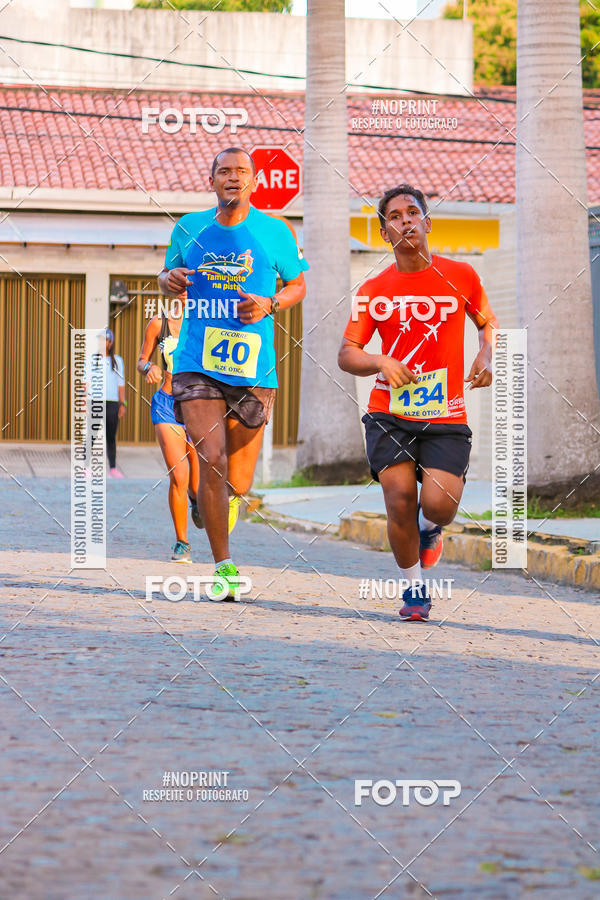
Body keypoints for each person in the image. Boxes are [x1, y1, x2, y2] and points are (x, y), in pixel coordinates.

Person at [339, 184, 498, 621]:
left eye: (412, 213)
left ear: (427, 223)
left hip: (445, 411)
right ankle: (414, 591)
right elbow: (347, 353)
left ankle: (431, 531)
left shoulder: (461, 275)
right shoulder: (372, 289)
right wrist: (380, 360)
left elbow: (487, 322)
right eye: (394, 216)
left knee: (438, 505)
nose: (405, 220)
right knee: (399, 500)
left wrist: (485, 352)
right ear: (384, 232)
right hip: (389, 411)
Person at [158, 146, 308, 599]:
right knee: (211, 458)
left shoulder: (275, 232)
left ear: (254, 181)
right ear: (212, 181)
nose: (232, 177)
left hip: (253, 367)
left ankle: (208, 501)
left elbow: (298, 283)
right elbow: (167, 273)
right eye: (223, 171)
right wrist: (168, 279)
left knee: (236, 483)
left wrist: (271, 302)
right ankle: (223, 566)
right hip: (195, 361)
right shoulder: (190, 226)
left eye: (241, 171)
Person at [137, 294, 201, 563]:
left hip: (198, 406)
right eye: (179, 286)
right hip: (166, 404)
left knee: (198, 487)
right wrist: (148, 366)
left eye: (190, 287)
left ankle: (196, 501)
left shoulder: (206, 322)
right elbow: (141, 359)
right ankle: (182, 542)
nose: (185, 292)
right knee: (179, 475)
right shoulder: (158, 323)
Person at [88, 328, 126, 478]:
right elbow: (86, 383)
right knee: (91, 436)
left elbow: (120, 384)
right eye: (99, 340)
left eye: (104, 340)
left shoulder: (117, 361)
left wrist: (122, 404)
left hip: (112, 403)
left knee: (111, 437)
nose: (101, 343)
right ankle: (85, 468)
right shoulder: (92, 360)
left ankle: (113, 468)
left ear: (110, 343)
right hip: (95, 401)